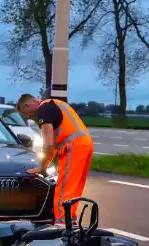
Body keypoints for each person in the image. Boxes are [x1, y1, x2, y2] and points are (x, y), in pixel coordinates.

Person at [17, 93, 94, 224]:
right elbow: (52, 147)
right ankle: (70, 220)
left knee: (64, 188)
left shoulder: (44, 111)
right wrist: (44, 165)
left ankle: (62, 222)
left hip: (72, 146)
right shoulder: (55, 104)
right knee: (74, 187)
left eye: (27, 114)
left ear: (28, 104)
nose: (29, 117)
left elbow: (48, 144)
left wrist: (41, 166)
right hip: (85, 145)